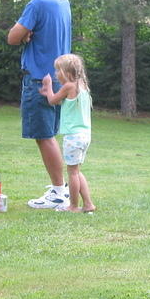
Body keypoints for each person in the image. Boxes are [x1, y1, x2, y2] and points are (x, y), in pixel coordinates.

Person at [8, 0, 72, 208]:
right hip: (59, 78)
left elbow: (12, 37)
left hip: (39, 80)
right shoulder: (63, 2)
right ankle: (61, 188)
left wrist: (23, 36)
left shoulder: (38, 4)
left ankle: (59, 192)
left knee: (44, 136)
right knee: (49, 134)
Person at [40, 54, 96, 213]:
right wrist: (50, 93)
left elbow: (52, 101)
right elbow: (59, 99)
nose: (56, 74)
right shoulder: (82, 85)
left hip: (73, 137)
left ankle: (73, 206)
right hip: (85, 136)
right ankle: (88, 204)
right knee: (76, 171)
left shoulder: (68, 87)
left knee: (71, 174)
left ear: (67, 72)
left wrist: (48, 87)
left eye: (58, 71)